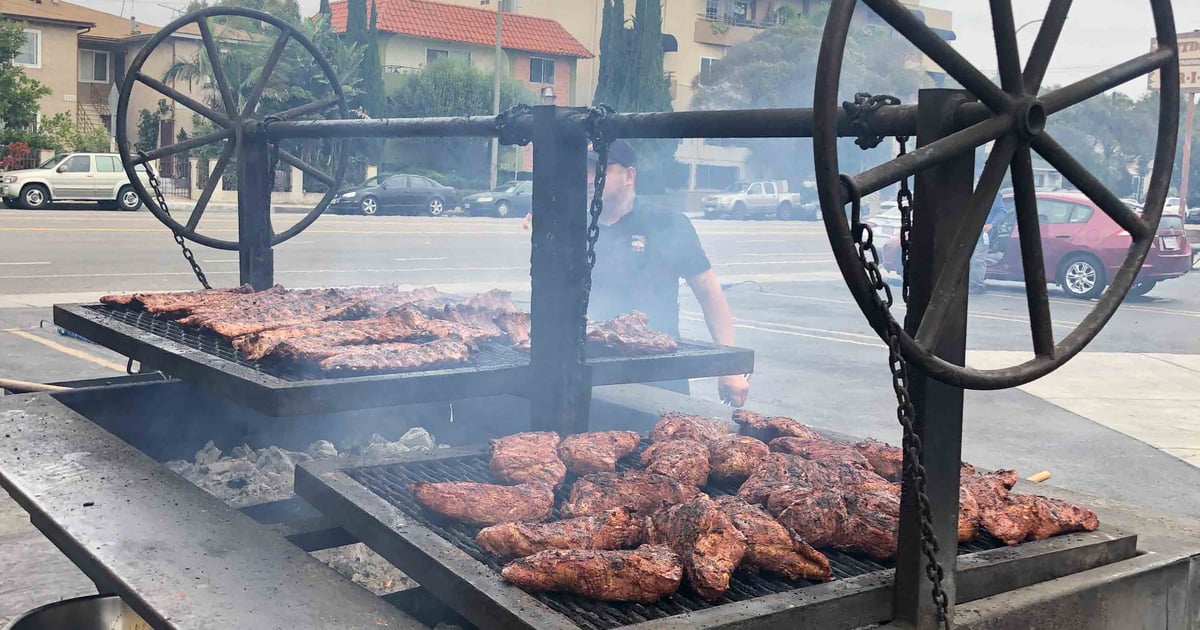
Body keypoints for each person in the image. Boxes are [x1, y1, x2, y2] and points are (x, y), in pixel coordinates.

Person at [523, 140, 750, 407]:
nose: (587, 179)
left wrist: (730, 367)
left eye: (599, 170)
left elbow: (709, 292)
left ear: (629, 176)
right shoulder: (573, 226)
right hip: (588, 371)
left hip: (659, 371)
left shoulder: (668, 224)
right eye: (584, 170)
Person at [969, 194, 1010, 294]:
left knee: (977, 259)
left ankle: (978, 285)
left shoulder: (994, 194)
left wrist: (991, 225)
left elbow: (1002, 212)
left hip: (983, 233)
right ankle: (972, 284)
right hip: (968, 232)